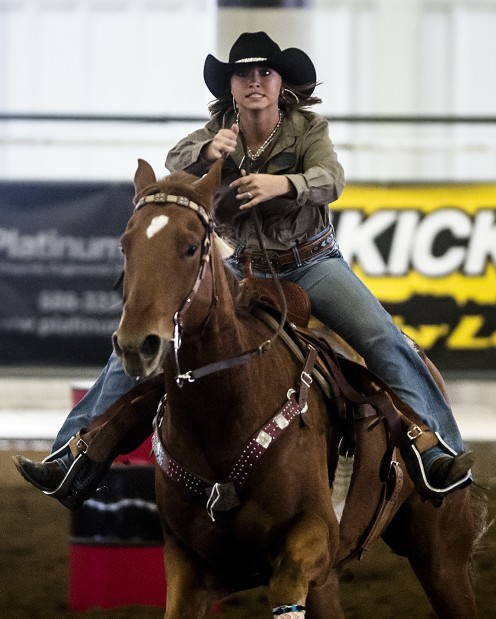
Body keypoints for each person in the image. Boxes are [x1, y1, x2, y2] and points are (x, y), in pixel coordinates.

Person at [14, 31, 473, 510]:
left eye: (264, 73)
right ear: (230, 87)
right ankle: (72, 454)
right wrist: (208, 154)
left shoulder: (309, 130)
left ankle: (438, 451)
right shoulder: (215, 133)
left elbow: (331, 178)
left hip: (312, 263)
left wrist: (283, 184)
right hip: (242, 270)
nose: (254, 81)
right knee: (153, 332)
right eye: (244, 74)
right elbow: (175, 162)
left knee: (382, 338)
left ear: (280, 84)